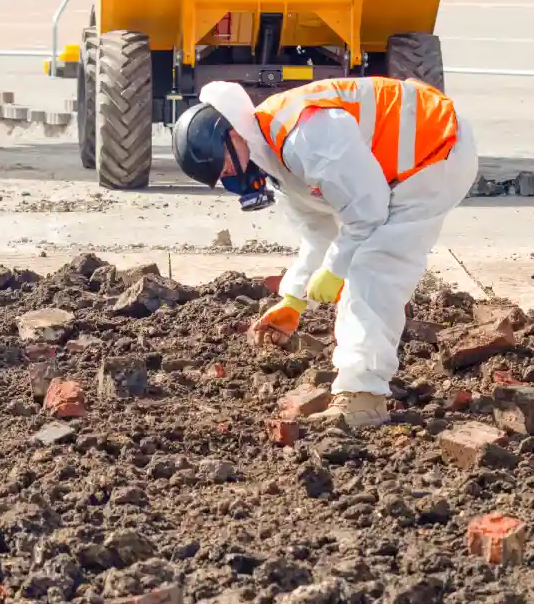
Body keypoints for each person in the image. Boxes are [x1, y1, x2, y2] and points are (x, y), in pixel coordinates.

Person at [171, 75, 479, 428]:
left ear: (232, 133)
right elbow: (319, 234)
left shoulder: (303, 136)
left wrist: (336, 268)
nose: (229, 176)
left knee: (372, 269)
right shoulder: (274, 156)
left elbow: (368, 211)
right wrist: (293, 300)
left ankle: (364, 397)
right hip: (409, 161)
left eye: (225, 164)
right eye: (222, 175)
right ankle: (362, 380)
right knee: (362, 262)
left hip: (436, 151)